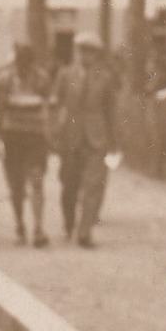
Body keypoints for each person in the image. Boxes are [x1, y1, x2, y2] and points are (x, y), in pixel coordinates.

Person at [51, 33, 119, 248]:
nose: (85, 56)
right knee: (68, 185)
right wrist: (55, 132)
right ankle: (69, 223)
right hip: (70, 136)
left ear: (96, 55)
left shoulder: (105, 78)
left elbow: (111, 111)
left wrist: (113, 141)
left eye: (89, 52)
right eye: (82, 51)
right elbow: (55, 104)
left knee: (93, 185)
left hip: (96, 137)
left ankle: (84, 232)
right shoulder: (65, 75)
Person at [0, 43, 51, 246]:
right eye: (20, 63)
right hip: (12, 135)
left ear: (32, 62)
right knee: (16, 185)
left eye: (27, 63)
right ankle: (20, 224)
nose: (23, 68)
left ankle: (38, 228)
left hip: (36, 135)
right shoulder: (4, 79)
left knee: (37, 179)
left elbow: (49, 106)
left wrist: (51, 134)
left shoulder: (42, 79)